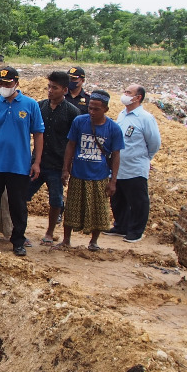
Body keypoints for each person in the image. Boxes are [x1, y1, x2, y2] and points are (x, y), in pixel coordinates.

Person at [0, 67, 44, 255]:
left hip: (19, 164)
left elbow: (38, 134)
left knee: (18, 204)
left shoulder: (30, 105)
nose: (3, 87)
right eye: (0, 84)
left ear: (17, 83)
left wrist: (36, 161)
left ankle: (18, 240)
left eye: (7, 84)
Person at [61, 90, 124, 251]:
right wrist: (66, 169)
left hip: (99, 175)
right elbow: (71, 145)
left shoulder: (114, 129)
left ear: (106, 110)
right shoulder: (79, 122)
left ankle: (94, 241)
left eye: (96, 109)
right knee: (71, 208)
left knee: (99, 209)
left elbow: (116, 156)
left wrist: (113, 181)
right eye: (90, 108)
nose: (91, 112)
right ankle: (66, 239)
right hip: (78, 173)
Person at [31, 70, 81, 245]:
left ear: (65, 90)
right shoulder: (39, 106)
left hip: (57, 164)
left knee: (55, 199)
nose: (50, 91)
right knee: (22, 194)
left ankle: (50, 232)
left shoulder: (72, 112)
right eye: (49, 87)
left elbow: (73, 142)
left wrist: (67, 168)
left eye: (55, 88)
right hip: (37, 162)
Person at [109, 84, 162, 242]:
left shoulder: (145, 118)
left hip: (135, 166)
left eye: (128, 92)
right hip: (120, 166)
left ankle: (136, 231)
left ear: (138, 97)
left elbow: (154, 143)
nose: (124, 95)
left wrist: (146, 158)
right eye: (124, 91)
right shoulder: (122, 115)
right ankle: (121, 226)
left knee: (137, 200)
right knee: (118, 199)